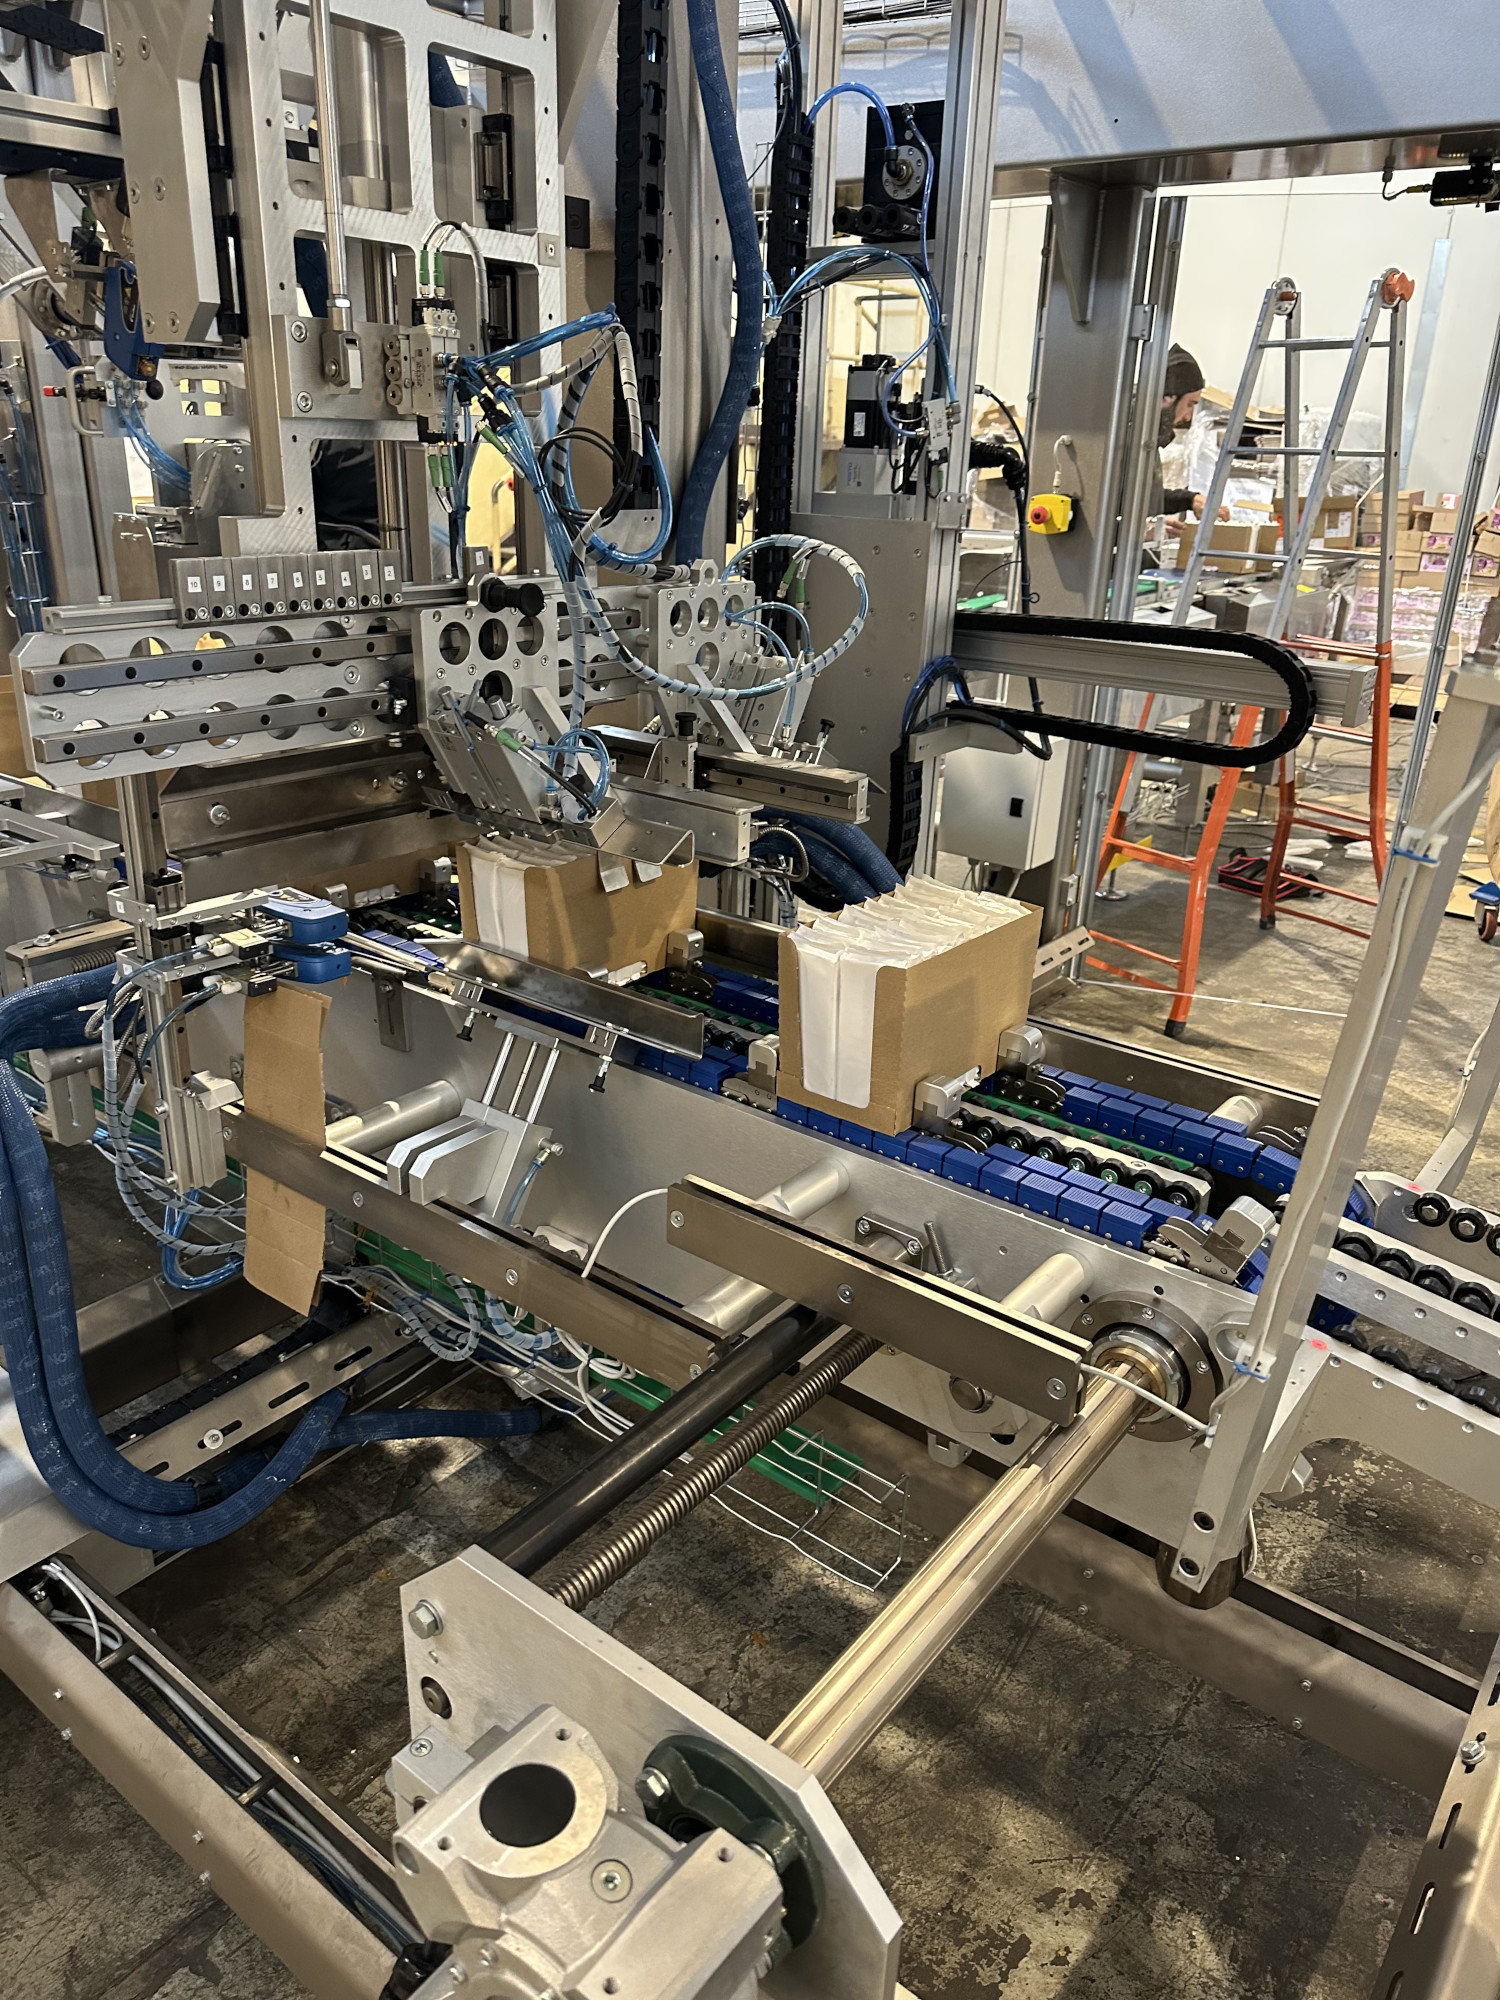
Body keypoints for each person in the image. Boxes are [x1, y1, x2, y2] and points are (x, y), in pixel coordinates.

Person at [1152, 343, 1229, 533]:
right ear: (1167, 398)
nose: (1188, 417)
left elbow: (1144, 499)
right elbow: (1097, 510)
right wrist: (1137, 531)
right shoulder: (1122, 440)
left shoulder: (1145, 443)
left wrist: (1191, 499)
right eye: (1189, 404)